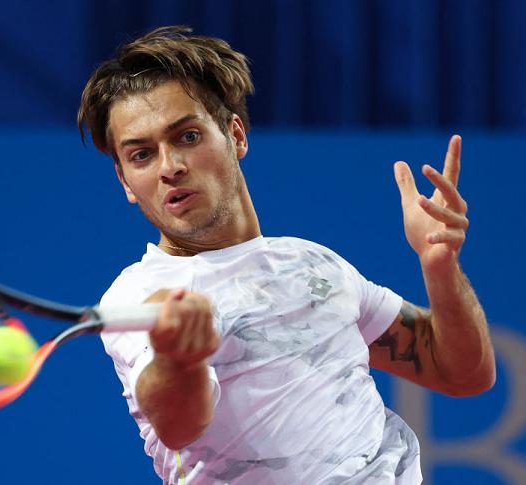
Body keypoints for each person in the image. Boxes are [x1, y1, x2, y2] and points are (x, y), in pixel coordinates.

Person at [77, 26, 495, 484]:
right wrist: (177, 356)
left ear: (235, 135)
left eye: (188, 136)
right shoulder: (138, 296)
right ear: (125, 181)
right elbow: (178, 426)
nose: (169, 167)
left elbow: (464, 373)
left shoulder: (313, 263)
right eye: (141, 155)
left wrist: (440, 266)